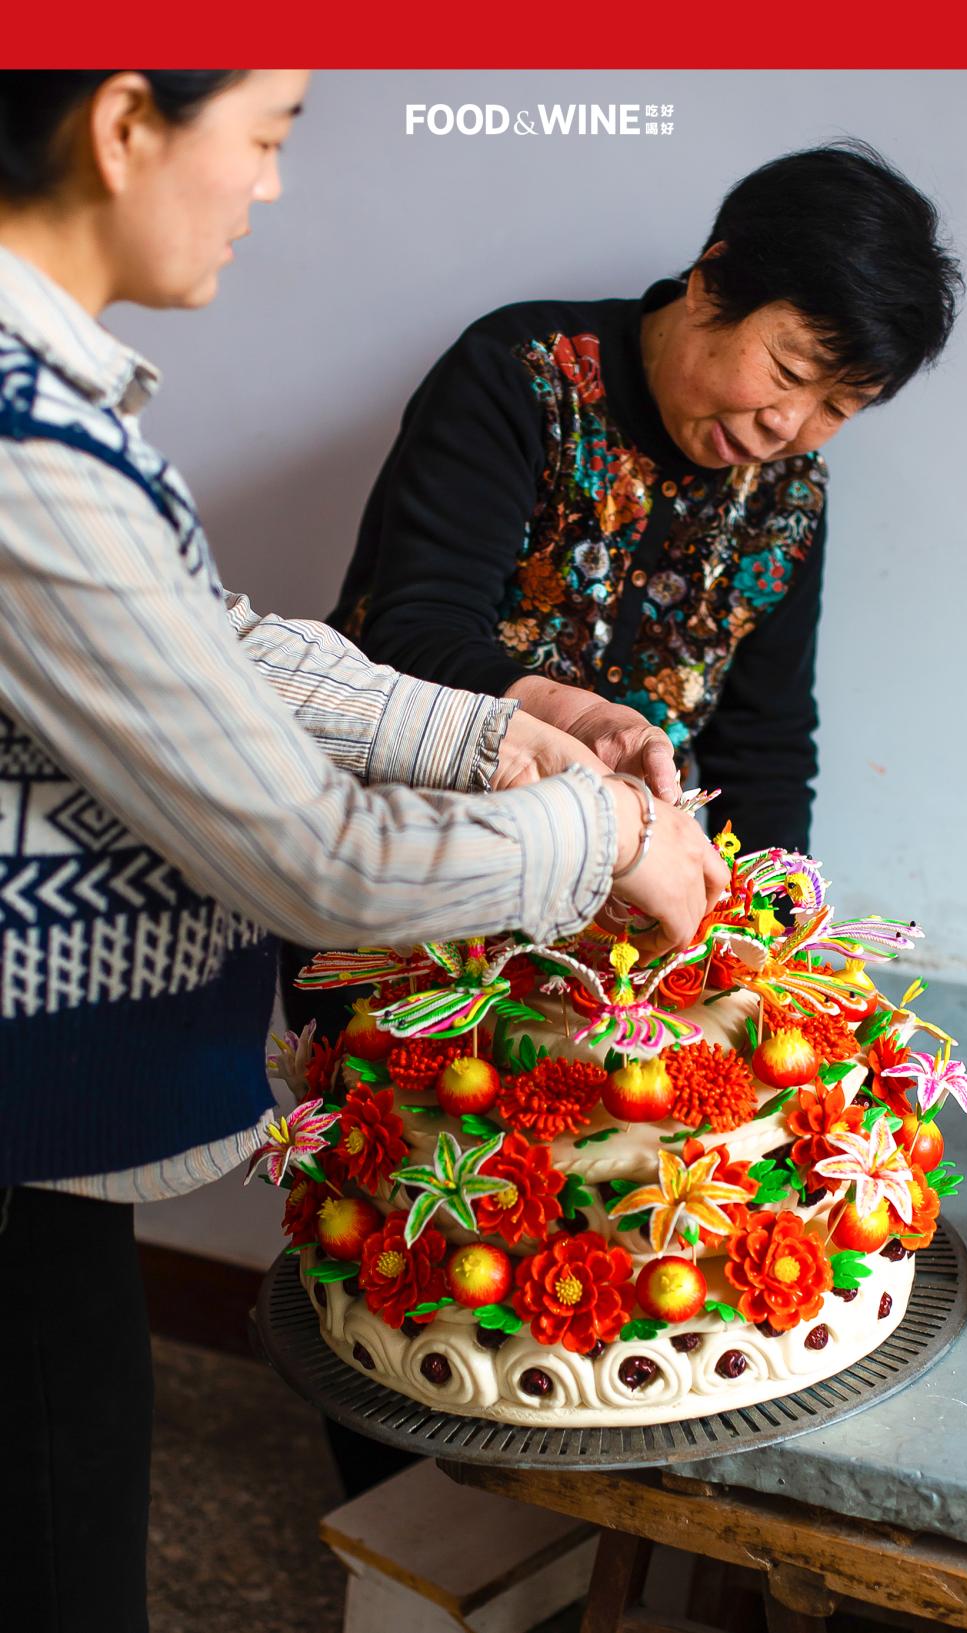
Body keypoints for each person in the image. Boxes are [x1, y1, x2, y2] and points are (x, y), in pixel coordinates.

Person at [0, 70, 727, 1631]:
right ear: (125, 123)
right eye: (263, 137)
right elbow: (312, 857)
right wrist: (599, 829)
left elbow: (215, 643)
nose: (267, 189)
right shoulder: (23, 441)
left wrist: (495, 737)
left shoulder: (53, 404)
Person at [328, 140, 964, 851]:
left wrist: (774, 934)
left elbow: (763, 746)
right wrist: (579, 724)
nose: (787, 425)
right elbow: (416, 635)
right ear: (711, 283)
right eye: (788, 370)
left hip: (616, 897)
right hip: (395, 850)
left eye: (839, 407)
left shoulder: (786, 493)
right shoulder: (523, 378)